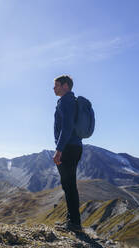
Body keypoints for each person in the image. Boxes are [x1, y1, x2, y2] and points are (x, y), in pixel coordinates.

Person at [53, 75, 83, 232]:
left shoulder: (65, 101)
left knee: (69, 185)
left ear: (65, 86)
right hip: (75, 146)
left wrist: (59, 150)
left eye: (56, 85)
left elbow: (67, 127)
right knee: (69, 184)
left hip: (68, 148)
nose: (53, 88)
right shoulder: (73, 101)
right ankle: (73, 221)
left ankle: (74, 224)